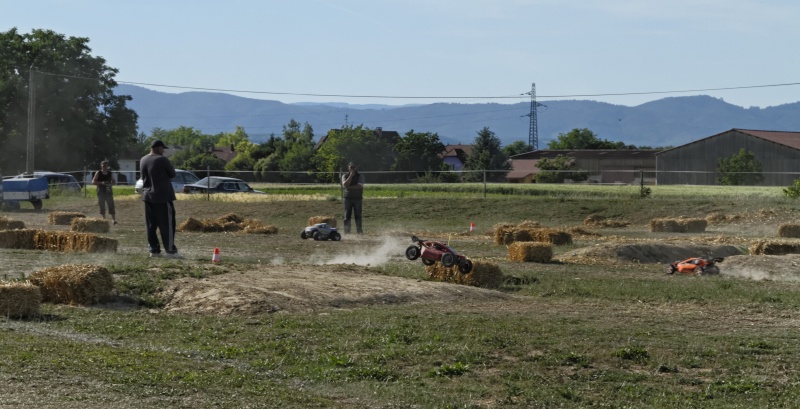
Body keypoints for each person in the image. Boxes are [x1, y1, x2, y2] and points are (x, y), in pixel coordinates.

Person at [139, 140, 180, 258]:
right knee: (167, 224)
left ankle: (154, 250)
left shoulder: (143, 159)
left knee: (151, 225)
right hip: (163, 196)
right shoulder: (162, 160)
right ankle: (170, 250)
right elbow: (172, 174)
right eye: (163, 149)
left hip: (147, 196)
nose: (163, 151)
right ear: (158, 148)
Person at [341, 161, 364, 234]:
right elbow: (345, 184)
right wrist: (351, 176)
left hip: (358, 199)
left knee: (358, 216)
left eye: (354, 167)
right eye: (351, 167)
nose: (352, 169)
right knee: (347, 216)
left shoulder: (360, 176)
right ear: (348, 168)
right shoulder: (345, 176)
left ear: (356, 168)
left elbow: (360, 186)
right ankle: (347, 232)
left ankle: (359, 231)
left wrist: (349, 187)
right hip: (348, 198)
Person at [92, 160, 117, 225]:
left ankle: (113, 220)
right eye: (103, 166)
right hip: (101, 192)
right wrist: (101, 183)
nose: (104, 167)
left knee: (111, 205)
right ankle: (104, 220)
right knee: (102, 206)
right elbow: (93, 182)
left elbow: (114, 182)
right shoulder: (98, 173)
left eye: (105, 166)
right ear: (101, 166)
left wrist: (110, 184)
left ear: (107, 166)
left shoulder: (110, 173)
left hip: (108, 192)